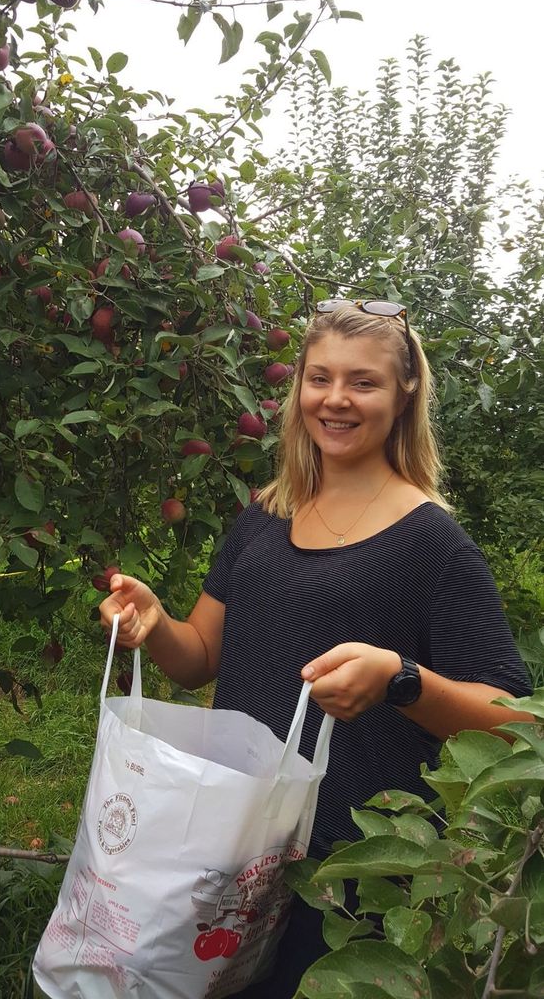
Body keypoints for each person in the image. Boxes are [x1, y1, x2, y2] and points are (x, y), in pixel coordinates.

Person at [99, 299, 532, 998]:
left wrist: (401, 679)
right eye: (319, 377)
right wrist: (154, 619)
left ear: (403, 395)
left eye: (363, 382)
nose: (335, 399)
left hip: (347, 868)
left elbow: (513, 723)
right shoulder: (264, 517)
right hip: (231, 844)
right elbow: (198, 658)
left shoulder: (431, 542)